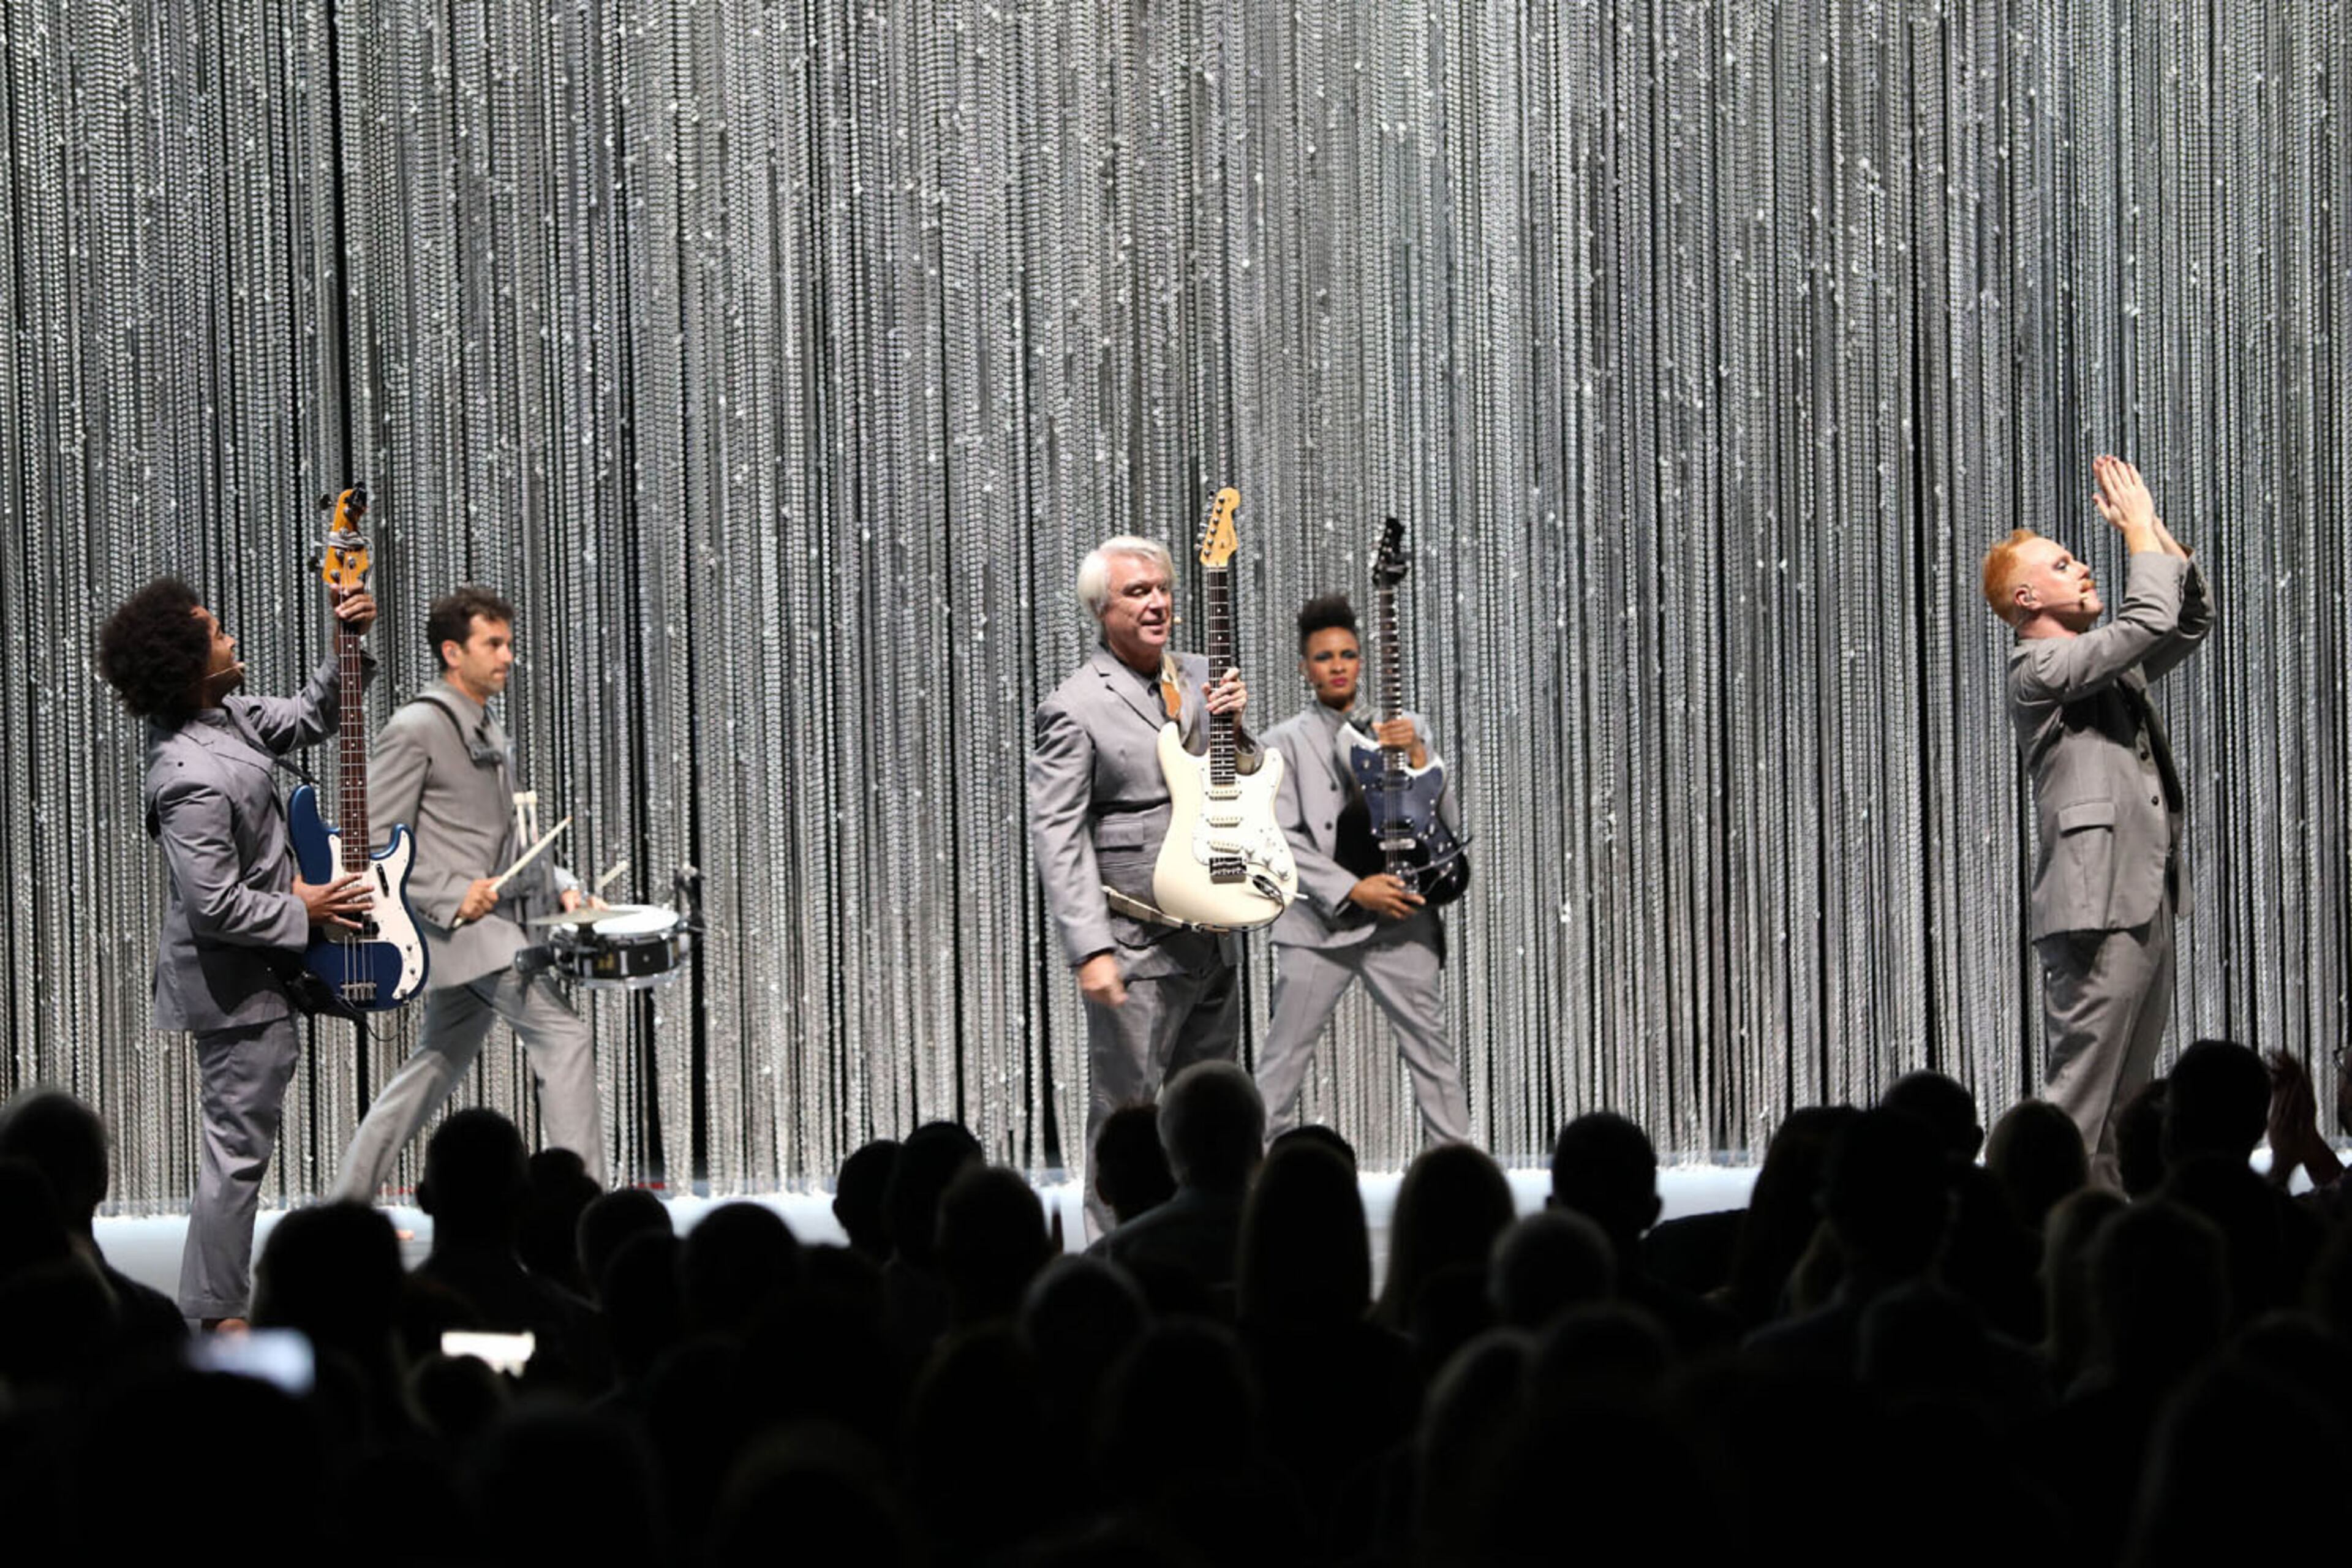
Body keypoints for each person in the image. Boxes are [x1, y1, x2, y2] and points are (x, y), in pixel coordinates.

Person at [97, 575, 377, 1325]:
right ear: (191, 666)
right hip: (234, 987)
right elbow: (214, 904)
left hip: (261, 973)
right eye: (218, 634)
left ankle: (217, 1307)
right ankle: (219, 1316)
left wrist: (347, 637)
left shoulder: (231, 718)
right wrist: (302, 908)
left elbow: (318, 713)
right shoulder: (187, 776)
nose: (231, 638)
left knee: (240, 1147)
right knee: (236, 1153)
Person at [1981, 456, 2211, 1191]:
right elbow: (2147, 619)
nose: (2083, 566)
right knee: (2079, 1108)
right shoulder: (2038, 669)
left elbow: (2189, 618)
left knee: (2124, 1112)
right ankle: (2034, 1239)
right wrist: (2136, 531)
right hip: (2095, 910)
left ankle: (2100, 1233)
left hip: (2140, 896)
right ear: (2026, 599)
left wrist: (2154, 530)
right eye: (2062, 564)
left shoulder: (2101, 663)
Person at [331, 587, 605, 1202]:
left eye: (508, 643)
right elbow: (370, 839)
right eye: (494, 644)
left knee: (434, 1062)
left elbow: (508, 838)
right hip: (467, 933)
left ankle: (345, 1203)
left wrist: (563, 886)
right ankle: (580, 1212)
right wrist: (450, 895)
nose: (508, 656)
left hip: (490, 928)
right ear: (453, 652)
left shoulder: (482, 723)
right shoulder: (417, 727)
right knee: (565, 1039)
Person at [1027, 535, 1251, 1232]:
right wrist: (1090, 949)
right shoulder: (1075, 706)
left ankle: (1211, 1252)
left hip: (1213, 932)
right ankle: (1111, 1254)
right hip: (1135, 944)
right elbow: (1057, 833)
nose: (1157, 603)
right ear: (1101, 609)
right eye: (1137, 592)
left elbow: (1243, 783)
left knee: (1212, 1121)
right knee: (1128, 1117)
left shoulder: (1202, 676)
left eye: (1162, 589)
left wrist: (1239, 731)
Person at [1253, 594, 1470, 1143]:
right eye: (1324, 657)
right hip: (1316, 929)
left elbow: (1442, 825)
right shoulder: (1281, 743)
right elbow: (1280, 838)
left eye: (1347, 655)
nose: (1337, 666)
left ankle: (1457, 1176)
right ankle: (1254, 1180)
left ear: (1361, 661)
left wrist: (1418, 756)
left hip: (1400, 921)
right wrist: (1353, 888)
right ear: (1305, 668)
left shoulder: (1404, 727)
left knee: (1433, 1058)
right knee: (1281, 1066)